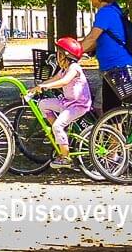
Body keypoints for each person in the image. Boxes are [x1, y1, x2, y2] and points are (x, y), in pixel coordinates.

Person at [25, 36, 92, 169]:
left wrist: (46, 87)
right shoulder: (64, 69)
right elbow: (54, 79)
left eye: (59, 54)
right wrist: (37, 87)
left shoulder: (74, 68)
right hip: (67, 102)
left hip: (78, 105)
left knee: (57, 126)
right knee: (43, 104)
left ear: (66, 56)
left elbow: (64, 81)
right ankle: (60, 131)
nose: (57, 57)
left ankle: (65, 157)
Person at [79, 0, 132, 111]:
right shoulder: (114, 10)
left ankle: (112, 132)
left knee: (109, 109)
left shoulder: (105, 12)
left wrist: (73, 52)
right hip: (115, 67)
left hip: (118, 68)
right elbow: (96, 43)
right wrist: (80, 49)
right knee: (112, 110)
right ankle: (114, 132)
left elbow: (91, 38)